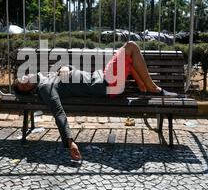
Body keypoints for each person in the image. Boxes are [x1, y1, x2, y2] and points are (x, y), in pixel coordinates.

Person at [13, 41, 179, 161]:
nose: (25, 80)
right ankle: (152, 88)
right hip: (106, 84)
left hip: (103, 79)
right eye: (23, 84)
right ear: (30, 90)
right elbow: (58, 113)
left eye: (23, 78)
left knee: (129, 54)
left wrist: (66, 68)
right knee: (130, 47)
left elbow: (71, 73)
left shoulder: (45, 77)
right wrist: (70, 142)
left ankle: (143, 86)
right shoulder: (44, 87)